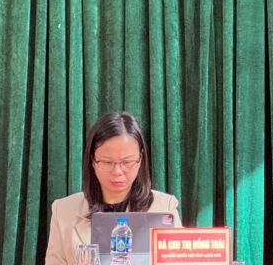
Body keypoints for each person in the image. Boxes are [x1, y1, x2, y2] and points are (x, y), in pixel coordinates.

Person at [45, 111, 180, 265]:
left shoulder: (165, 208)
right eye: (107, 162)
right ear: (93, 161)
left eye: (127, 162)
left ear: (140, 159)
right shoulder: (64, 211)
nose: (117, 172)